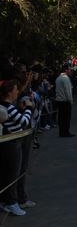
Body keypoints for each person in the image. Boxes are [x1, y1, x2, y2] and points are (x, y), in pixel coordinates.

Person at [0, 79, 34, 216]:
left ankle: (8, 201)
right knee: (14, 173)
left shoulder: (8, 106)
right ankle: (12, 202)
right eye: (15, 90)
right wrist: (29, 108)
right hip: (12, 143)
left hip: (12, 142)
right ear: (9, 92)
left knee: (9, 173)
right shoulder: (9, 107)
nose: (17, 92)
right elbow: (24, 121)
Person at [55, 63, 74, 137]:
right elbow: (68, 91)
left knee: (61, 117)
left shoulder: (58, 78)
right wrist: (71, 100)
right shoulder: (65, 78)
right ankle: (66, 132)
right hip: (65, 101)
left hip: (59, 100)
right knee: (66, 118)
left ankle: (61, 132)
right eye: (69, 70)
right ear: (66, 70)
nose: (70, 71)